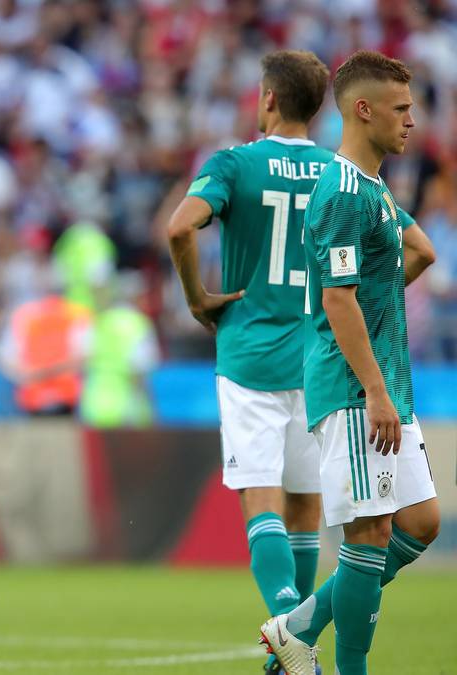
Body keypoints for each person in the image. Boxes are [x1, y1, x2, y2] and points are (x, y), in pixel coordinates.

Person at [260, 50, 440, 675]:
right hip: (354, 386)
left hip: (384, 381)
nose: (412, 121)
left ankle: (299, 625)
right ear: (363, 110)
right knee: (368, 535)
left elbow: (417, 254)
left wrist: (381, 300)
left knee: (421, 521)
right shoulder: (338, 192)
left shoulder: (375, 189)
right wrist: (374, 387)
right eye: (402, 109)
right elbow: (336, 299)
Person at [166, 51, 333, 664]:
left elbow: (181, 228)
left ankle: (288, 630)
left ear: (267, 99)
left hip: (250, 358)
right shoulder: (341, 174)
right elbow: (408, 249)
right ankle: (301, 642)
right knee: (306, 506)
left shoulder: (235, 163)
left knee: (262, 500)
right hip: (318, 361)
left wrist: (196, 298)